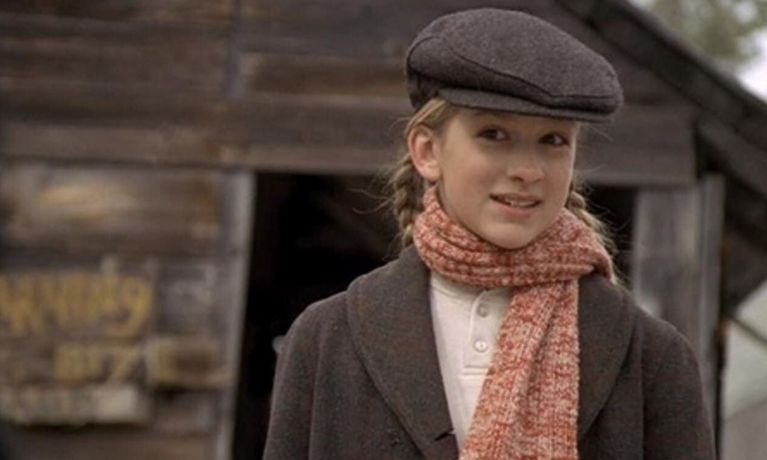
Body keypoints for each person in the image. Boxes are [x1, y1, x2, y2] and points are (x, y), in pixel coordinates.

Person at [263, 8, 715, 460]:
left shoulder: (652, 357)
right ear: (427, 150)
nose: (527, 170)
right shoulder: (326, 341)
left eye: (553, 140)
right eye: (494, 134)